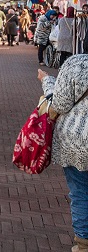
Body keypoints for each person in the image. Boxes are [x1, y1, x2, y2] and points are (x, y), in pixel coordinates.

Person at [38, 56, 88, 251]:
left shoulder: (77, 63)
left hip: (77, 141)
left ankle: (83, 245)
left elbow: (59, 104)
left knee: (81, 193)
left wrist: (47, 81)